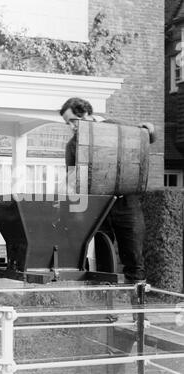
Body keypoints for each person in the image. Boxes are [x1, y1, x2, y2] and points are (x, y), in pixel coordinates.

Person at [60, 97, 156, 284]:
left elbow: (145, 138)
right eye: (67, 123)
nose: (71, 127)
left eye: (72, 121)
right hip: (98, 207)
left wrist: (150, 129)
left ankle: (139, 313)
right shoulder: (72, 146)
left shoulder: (114, 127)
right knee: (105, 265)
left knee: (134, 261)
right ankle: (108, 313)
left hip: (126, 203)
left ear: (86, 113)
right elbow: (72, 180)